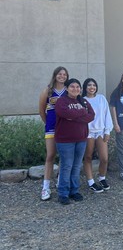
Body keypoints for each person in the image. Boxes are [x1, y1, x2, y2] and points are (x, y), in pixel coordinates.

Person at [55, 78, 95, 205]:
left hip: (81, 139)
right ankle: (63, 193)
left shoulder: (83, 101)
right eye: (72, 86)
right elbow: (63, 112)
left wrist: (74, 116)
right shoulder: (62, 101)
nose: (75, 89)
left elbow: (91, 115)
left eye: (78, 87)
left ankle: (74, 191)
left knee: (77, 166)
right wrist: (82, 113)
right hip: (65, 140)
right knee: (66, 166)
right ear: (66, 88)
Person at [38, 66, 69, 201]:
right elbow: (41, 110)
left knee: (63, 156)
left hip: (65, 128)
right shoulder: (48, 91)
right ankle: (45, 187)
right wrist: (48, 123)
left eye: (64, 74)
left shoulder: (68, 91)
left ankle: (60, 181)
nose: (62, 76)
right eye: (59, 74)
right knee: (50, 155)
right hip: (51, 128)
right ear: (55, 75)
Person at [82, 78, 113, 193]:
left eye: (94, 85)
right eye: (89, 85)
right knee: (88, 157)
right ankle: (91, 181)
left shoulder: (101, 99)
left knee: (104, 158)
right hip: (88, 132)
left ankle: (102, 178)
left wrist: (107, 131)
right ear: (85, 87)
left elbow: (107, 115)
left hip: (100, 131)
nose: (92, 87)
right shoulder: (82, 100)